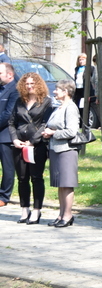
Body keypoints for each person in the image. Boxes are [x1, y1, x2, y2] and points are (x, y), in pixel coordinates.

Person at [8, 72, 52, 224]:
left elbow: (45, 124)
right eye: (27, 83)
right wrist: (15, 139)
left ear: (38, 84)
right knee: (21, 178)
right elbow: (11, 122)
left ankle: (37, 210)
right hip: (19, 144)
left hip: (37, 146)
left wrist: (33, 141)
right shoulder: (19, 101)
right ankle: (24, 208)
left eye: (32, 83)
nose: (29, 86)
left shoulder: (46, 102)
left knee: (36, 178)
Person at [42, 79, 80, 228]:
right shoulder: (59, 107)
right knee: (60, 184)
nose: (54, 91)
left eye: (57, 89)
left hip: (66, 150)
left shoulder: (70, 108)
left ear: (66, 92)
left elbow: (72, 131)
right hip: (55, 149)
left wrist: (53, 133)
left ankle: (68, 215)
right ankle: (61, 214)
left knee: (67, 184)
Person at [0, 62, 19, 207]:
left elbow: (8, 114)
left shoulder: (15, 90)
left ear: (9, 75)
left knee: (7, 167)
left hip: (6, 135)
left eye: (0, 73)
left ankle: (4, 196)